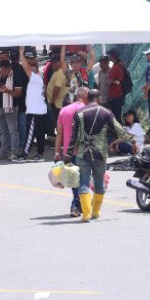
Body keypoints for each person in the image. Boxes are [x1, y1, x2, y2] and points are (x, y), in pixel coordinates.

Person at [68, 89, 134, 222]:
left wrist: (69, 153)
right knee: (99, 184)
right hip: (100, 154)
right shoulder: (106, 113)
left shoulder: (79, 114)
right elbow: (119, 130)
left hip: (83, 154)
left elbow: (74, 136)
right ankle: (96, 212)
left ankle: (86, 214)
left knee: (83, 183)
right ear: (99, 98)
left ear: (87, 97)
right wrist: (133, 142)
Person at [54, 86, 90, 217]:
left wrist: (57, 152)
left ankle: (78, 204)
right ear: (85, 96)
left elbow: (59, 134)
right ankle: (77, 204)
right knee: (84, 178)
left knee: (75, 178)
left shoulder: (64, 111)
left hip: (68, 152)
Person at [0, 59, 23, 161]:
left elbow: (18, 93)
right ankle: (3, 152)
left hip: (11, 108)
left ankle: (14, 152)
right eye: (2, 69)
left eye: (6, 69)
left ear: (10, 68)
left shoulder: (16, 78)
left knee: (13, 131)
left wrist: (7, 91)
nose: (4, 71)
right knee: (3, 131)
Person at [21, 49, 49, 162]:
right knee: (39, 132)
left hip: (35, 110)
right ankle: (40, 154)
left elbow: (25, 67)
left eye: (32, 66)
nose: (30, 69)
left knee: (31, 132)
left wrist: (21, 53)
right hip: (40, 108)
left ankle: (24, 154)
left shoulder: (35, 78)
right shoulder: (40, 78)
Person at [106, 48, 130, 119]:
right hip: (120, 94)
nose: (108, 56)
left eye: (109, 55)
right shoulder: (121, 63)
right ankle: (117, 128)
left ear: (112, 56)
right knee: (117, 114)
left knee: (115, 116)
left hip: (115, 95)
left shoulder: (115, 68)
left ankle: (116, 129)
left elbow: (108, 81)